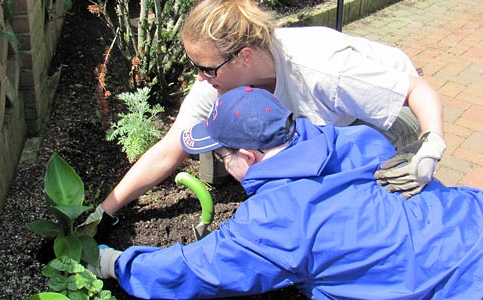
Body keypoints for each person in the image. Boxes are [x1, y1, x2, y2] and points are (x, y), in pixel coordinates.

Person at [89, 86, 483, 300]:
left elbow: (191, 271)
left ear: (248, 155)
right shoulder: (356, 138)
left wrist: (114, 264)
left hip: (450, 286)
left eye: (223, 156)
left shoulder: (275, 221)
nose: (223, 165)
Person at [82, 0, 446, 228]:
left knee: (369, 187)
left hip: (387, 110)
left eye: (205, 67)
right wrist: (107, 209)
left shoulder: (322, 68)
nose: (199, 76)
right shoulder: (217, 83)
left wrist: (429, 144)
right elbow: (169, 148)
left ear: (244, 56)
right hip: (334, 123)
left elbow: (415, 91)